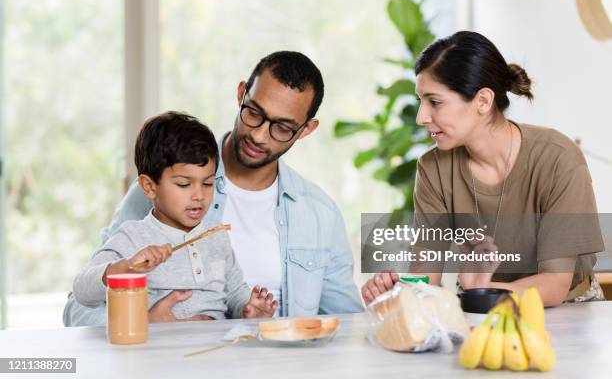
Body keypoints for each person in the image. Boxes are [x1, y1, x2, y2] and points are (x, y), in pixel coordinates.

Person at [64, 51, 363, 326]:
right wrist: (143, 324)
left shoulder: (320, 213)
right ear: (240, 93)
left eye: (282, 128)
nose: (259, 135)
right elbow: (78, 309)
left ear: (306, 130)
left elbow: (348, 323)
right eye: (254, 113)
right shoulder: (162, 187)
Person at [361, 31, 605, 307]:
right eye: (420, 101)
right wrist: (397, 291)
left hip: (568, 310)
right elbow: (426, 275)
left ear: (483, 101)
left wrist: (483, 290)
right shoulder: (433, 168)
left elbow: (554, 285)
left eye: (435, 102)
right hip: (477, 302)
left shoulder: (557, 158)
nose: (421, 117)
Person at [72, 112, 277, 320]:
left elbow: (234, 293)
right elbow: (81, 289)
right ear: (150, 187)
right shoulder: (133, 238)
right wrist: (125, 268)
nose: (199, 195)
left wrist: (248, 308)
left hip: (218, 349)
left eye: (208, 183)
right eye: (183, 184)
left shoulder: (216, 235)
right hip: (159, 350)